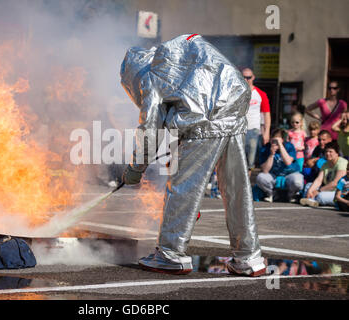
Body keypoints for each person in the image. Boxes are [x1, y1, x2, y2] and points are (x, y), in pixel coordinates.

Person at [120, 34, 266, 276]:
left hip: (203, 118)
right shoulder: (173, 56)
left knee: (182, 187)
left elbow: (150, 131)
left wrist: (135, 170)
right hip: (235, 104)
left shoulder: (148, 76)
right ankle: (249, 258)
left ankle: (171, 254)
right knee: (237, 188)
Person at [256, 128, 304, 202]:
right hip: (274, 175)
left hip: (289, 174)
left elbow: (288, 162)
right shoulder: (265, 148)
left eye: (277, 141)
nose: (275, 143)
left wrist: (281, 146)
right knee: (260, 177)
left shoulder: (289, 146)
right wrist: (271, 154)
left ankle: (291, 195)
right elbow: (265, 170)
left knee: (297, 181)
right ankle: (272, 194)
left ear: (282, 140)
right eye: (273, 140)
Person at [300, 141, 348, 207]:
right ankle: (311, 199)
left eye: (330, 152)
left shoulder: (342, 163)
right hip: (327, 189)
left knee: (320, 196)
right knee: (308, 186)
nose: (328, 154)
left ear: (337, 153)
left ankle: (312, 199)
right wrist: (310, 191)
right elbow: (319, 180)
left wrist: (318, 191)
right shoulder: (325, 164)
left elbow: (335, 183)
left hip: (339, 192)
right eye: (326, 152)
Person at [242, 68, 271, 174]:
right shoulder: (237, 93)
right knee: (240, 159)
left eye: (248, 77)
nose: (246, 80)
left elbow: (267, 114)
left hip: (254, 129)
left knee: (251, 160)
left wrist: (266, 132)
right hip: (240, 130)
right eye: (243, 77)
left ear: (253, 77)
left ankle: (247, 184)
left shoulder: (260, 94)